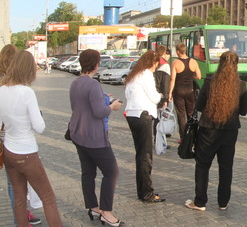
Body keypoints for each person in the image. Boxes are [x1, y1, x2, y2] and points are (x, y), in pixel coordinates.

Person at [0, 50, 62, 227]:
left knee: (19, 198)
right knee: (48, 198)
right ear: (29, 70)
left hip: (9, 150)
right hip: (26, 152)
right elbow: (39, 127)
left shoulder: (1, 90)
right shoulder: (26, 92)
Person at [185, 51, 247, 211]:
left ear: (219, 64)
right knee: (226, 167)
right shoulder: (240, 85)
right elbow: (244, 111)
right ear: (236, 65)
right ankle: (223, 202)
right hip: (230, 131)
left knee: (203, 166)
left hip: (208, 130)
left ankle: (200, 202)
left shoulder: (210, 81)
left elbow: (198, 106)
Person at [69, 49, 123, 226]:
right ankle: (106, 211)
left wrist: (102, 98)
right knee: (111, 171)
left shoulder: (76, 82)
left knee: (88, 172)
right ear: (96, 64)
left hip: (78, 134)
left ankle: (93, 206)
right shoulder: (93, 85)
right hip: (93, 136)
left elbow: (80, 105)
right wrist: (112, 106)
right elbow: (99, 112)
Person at [124, 50, 165, 203]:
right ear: (152, 63)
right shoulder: (146, 74)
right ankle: (147, 193)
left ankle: (142, 191)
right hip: (143, 115)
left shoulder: (134, 74)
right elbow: (154, 96)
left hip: (132, 115)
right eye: (156, 64)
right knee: (146, 156)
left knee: (140, 154)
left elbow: (129, 95)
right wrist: (161, 96)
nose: (156, 67)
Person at [169, 43, 202, 142]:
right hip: (190, 91)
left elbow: (172, 79)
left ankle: (183, 138)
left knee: (181, 114)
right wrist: (190, 77)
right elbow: (199, 76)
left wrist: (170, 93)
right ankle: (193, 136)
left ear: (178, 52)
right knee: (191, 114)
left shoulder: (175, 63)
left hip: (179, 91)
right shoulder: (193, 62)